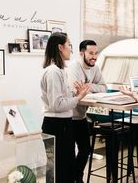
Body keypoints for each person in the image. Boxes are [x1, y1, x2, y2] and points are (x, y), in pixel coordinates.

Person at [41, 32, 90, 183]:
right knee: (58, 171)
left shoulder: (59, 70)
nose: (71, 49)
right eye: (69, 45)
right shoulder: (54, 71)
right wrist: (78, 98)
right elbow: (56, 105)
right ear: (60, 47)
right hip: (57, 126)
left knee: (62, 170)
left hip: (62, 125)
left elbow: (61, 99)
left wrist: (75, 93)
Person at [67, 40, 107, 183]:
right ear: (81, 53)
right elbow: (76, 91)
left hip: (81, 116)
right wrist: (90, 87)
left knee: (86, 149)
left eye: (96, 53)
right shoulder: (73, 67)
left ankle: (77, 177)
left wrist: (89, 85)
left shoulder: (95, 68)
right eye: (91, 53)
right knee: (69, 154)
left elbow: (103, 87)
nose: (94, 57)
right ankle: (75, 178)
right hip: (68, 117)